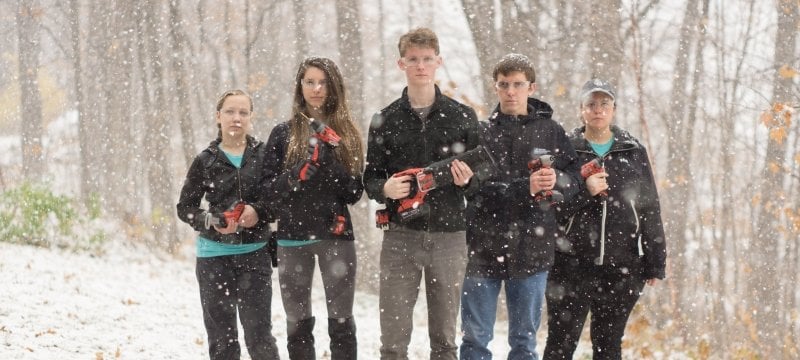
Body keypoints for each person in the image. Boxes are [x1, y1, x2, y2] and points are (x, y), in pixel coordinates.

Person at [363, 27, 479, 360]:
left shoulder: (462, 116)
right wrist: (384, 188)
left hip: (449, 237)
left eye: (427, 59)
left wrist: (465, 180)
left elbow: (481, 177)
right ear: (401, 64)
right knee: (393, 343)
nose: (421, 66)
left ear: (438, 61)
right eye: (413, 59)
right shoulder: (384, 119)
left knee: (444, 342)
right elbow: (371, 178)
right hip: (400, 237)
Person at [459, 53, 581, 360]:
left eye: (517, 84)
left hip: (533, 250)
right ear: (495, 88)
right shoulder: (481, 133)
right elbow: (477, 192)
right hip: (483, 249)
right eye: (503, 85)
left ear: (531, 87)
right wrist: (523, 188)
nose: (510, 91)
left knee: (525, 343)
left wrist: (559, 180)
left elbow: (576, 181)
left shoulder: (551, 130)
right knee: (474, 340)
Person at [542, 79, 667, 360]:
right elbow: (550, 209)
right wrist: (586, 192)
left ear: (614, 109)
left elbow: (649, 208)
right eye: (591, 104)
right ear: (581, 110)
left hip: (621, 267)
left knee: (608, 347)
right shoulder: (565, 151)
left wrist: (655, 261)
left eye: (604, 104)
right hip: (569, 265)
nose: (598, 110)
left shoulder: (632, 151)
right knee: (560, 344)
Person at [262, 57, 364, 360]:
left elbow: (354, 192)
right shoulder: (282, 134)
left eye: (323, 82)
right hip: (292, 238)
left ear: (334, 87)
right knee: (297, 324)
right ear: (300, 86)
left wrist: (329, 157)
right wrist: (299, 172)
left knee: (342, 323)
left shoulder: (347, 133)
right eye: (310, 82)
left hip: (336, 237)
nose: (316, 89)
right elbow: (267, 193)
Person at [176, 89, 280, 360]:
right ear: (218, 117)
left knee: (260, 337)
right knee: (223, 340)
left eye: (243, 112)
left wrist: (257, 212)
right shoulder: (205, 160)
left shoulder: (265, 155)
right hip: (213, 258)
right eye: (230, 112)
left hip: (255, 255)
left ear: (251, 117)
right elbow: (185, 208)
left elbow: (278, 200)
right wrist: (209, 221)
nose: (237, 118)